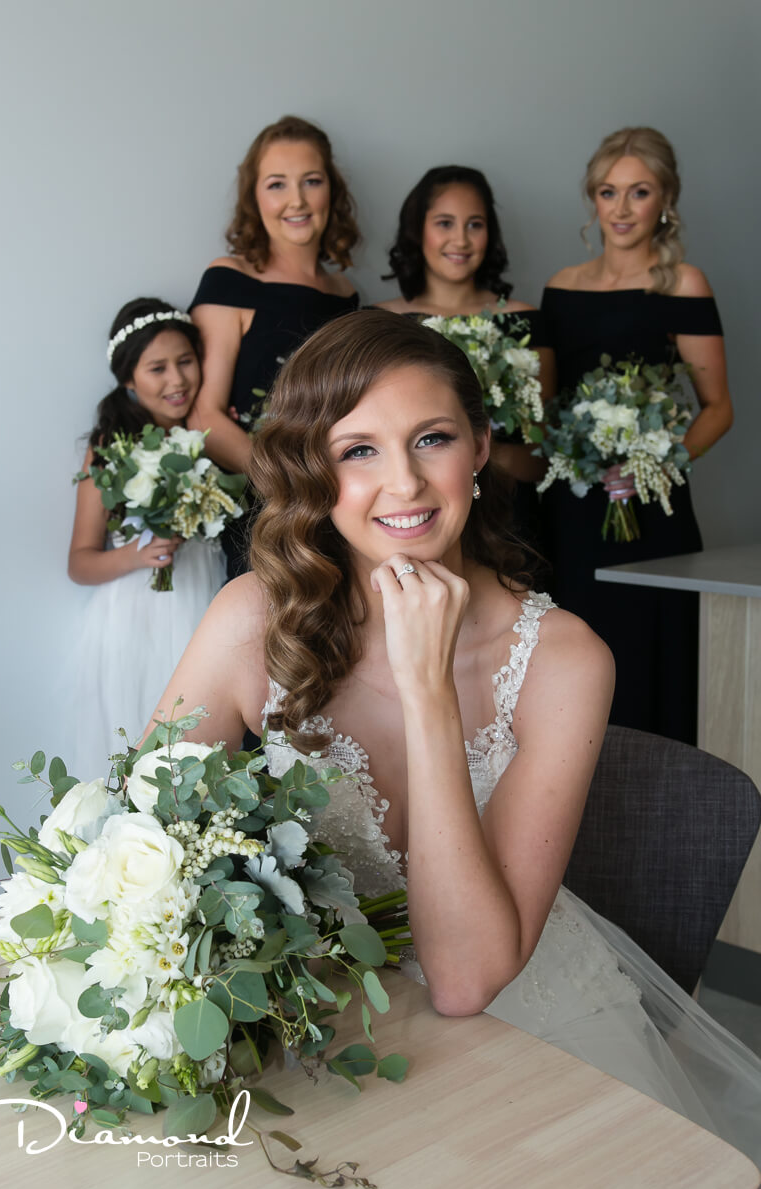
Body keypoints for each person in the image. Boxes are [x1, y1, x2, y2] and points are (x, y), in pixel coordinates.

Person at [148, 310, 760, 1166]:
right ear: (314, 470)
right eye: (359, 450)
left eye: (430, 439)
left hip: (515, 1026)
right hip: (309, 1017)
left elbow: (466, 982)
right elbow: (139, 840)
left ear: (479, 448)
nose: (404, 483)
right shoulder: (250, 617)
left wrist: (427, 688)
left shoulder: (565, 659)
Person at [540, 127, 733, 743]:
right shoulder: (561, 287)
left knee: (651, 658)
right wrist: (572, 454)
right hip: (573, 507)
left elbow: (718, 409)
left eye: (639, 192)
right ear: (592, 199)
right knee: (575, 655)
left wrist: (654, 463)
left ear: (666, 200)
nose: (621, 209)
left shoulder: (684, 285)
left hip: (651, 508)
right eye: (608, 192)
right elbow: (545, 409)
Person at [188, 115, 360, 578]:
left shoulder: (346, 294)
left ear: (332, 191)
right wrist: (289, 486)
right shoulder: (230, 279)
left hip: (340, 507)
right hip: (262, 511)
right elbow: (203, 417)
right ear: (254, 197)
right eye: (277, 184)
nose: (296, 200)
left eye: (312, 181)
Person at [67, 298, 225, 779]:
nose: (177, 380)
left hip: (204, 597)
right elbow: (79, 562)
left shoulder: (213, 436)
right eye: (158, 368)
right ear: (129, 379)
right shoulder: (111, 447)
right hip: (136, 613)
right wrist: (139, 555)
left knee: (202, 744)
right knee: (137, 740)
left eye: (186, 361)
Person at [375, 165, 555, 492]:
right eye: (445, 223)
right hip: (410, 497)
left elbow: (540, 457)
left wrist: (469, 450)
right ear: (417, 229)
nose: (461, 240)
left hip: (510, 504)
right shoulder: (378, 321)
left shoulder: (527, 321)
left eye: (475, 225)